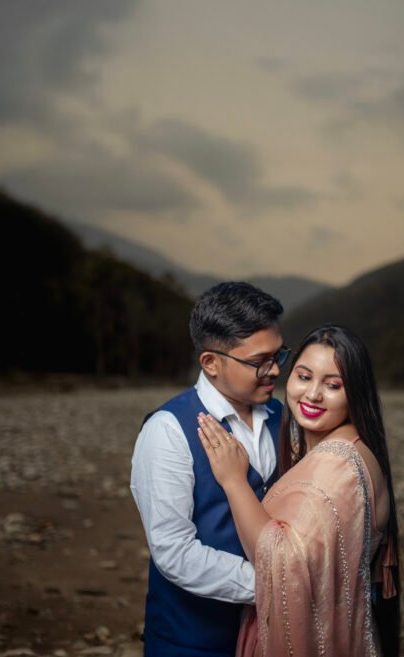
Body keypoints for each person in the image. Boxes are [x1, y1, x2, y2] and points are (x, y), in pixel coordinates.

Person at [198, 324, 401, 657]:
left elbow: (284, 565)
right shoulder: (343, 446)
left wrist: (234, 481)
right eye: (304, 377)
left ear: (356, 391)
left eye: (333, 385)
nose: (313, 394)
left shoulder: (338, 464)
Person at [130, 282, 291, 657]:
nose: (274, 371)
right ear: (211, 363)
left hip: (273, 638)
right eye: (259, 361)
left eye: (278, 355)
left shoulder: (282, 416)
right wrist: (277, 584)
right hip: (192, 641)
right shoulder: (168, 430)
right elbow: (174, 552)